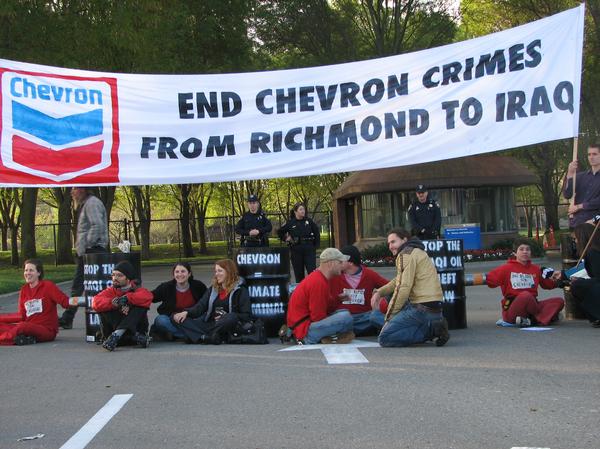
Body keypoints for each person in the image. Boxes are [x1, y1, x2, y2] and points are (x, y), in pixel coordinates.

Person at [370, 229, 449, 347]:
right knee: (374, 317)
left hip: (421, 309)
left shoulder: (405, 254)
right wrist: (380, 292)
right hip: (436, 309)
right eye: (389, 243)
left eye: (393, 242)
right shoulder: (418, 251)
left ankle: (431, 331)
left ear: (404, 240)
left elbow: (403, 288)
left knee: (385, 338)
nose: (390, 246)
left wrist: (389, 317)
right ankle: (433, 326)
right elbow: (398, 280)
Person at [59, 187, 109, 329]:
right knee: (81, 286)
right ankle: (68, 317)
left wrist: (87, 244)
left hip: (93, 252)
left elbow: (97, 225)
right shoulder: (87, 203)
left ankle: (70, 317)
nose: (72, 192)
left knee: (88, 287)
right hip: (89, 252)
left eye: (74, 188)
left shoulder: (92, 203)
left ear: (83, 190)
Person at [171, 259, 252, 344]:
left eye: (220, 271)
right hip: (211, 323)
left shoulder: (240, 290)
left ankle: (198, 336)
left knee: (231, 317)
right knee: (175, 317)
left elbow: (246, 315)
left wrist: (225, 316)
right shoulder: (213, 289)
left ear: (229, 272)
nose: (216, 274)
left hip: (226, 325)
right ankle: (206, 337)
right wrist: (186, 312)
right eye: (216, 271)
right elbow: (200, 307)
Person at [486, 238, 564, 327]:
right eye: (521, 249)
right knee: (526, 295)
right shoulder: (505, 268)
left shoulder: (535, 269)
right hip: (513, 309)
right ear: (515, 253)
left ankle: (531, 320)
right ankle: (546, 317)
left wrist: (560, 281)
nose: (525, 252)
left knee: (559, 301)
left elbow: (547, 284)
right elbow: (490, 280)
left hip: (533, 306)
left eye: (528, 249)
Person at [286, 248, 354, 344]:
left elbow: (324, 309)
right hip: (304, 332)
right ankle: (328, 336)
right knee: (346, 317)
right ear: (331, 264)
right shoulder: (318, 282)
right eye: (340, 262)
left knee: (344, 313)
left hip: (303, 327)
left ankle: (330, 336)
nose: (342, 265)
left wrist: (338, 300)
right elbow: (318, 317)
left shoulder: (319, 278)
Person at [0, 259, 71, 345]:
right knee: (3, 326)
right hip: (29, 328)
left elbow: (65, 301)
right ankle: (21, 339)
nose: (28, 273)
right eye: (26, 270)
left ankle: (6, 339)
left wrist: (82, 300)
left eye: (31, 270)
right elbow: (22, 315)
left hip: (46, 330)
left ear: (39, 273)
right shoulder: (24, 290)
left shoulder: (48, 286)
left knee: (23, 326)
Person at [92, 260, 153, 351]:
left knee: (140, 306)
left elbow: (148, 296)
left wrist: (126, 299)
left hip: (119, 338)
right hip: (120, 337)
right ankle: (128, 336)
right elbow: (95, 302)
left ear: (128, 279)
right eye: (113, 275)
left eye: (119, 275)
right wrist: (115, 304)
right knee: (103, 307)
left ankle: (117, 334)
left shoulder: (137, 289)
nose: (115, 278)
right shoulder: (110, 291)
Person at [330, 245, 389, 336]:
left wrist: (379, 294)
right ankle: (366, 329)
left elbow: (390, 287)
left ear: (350, 262)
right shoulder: (334, 275)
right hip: (343, 317)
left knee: (374, 317)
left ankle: (394, 329)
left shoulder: (369, 275)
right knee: (339, 320)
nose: (338, 262)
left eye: (341, 260)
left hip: (365, 317)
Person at [150, 262, 207, 341]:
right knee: (160, 320)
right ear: (173, 274)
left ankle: (182, 335)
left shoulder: (198, 286)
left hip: (192, 317)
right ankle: (191, 335)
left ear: (189, 273)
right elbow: (150, 296)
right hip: (172, 319)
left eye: (183, 271)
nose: (180, 274)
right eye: (177, 272)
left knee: (205, 317)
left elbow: (207, 301)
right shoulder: (166, 287)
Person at [564, 222, 600, 326]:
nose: (575, 241)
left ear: (582, 238)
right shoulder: (594, 251)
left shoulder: (593, 253)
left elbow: (598, 277)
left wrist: (581, 281)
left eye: (576, 239)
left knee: (577, 286)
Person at [277, 202, 320, 282]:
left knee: (312, 272)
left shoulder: (309, 221)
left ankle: (313, 288)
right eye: (300, 209)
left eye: (303, 209)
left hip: (309, 249)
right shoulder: (290, 223)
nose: (303, 211)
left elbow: (316, 232)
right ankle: (301, 289)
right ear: (295, 211)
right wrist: (286, 238)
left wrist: (316, 246)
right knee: (299, 274)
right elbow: (280, 232)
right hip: (296, 250)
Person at [563, 143, 600, 228]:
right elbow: (567, 194)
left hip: (595, 224)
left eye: (594, 154)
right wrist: (570, 173)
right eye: (589, 154)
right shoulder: (580, 176)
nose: (591, 157)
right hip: (577, 223)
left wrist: (580, 206)